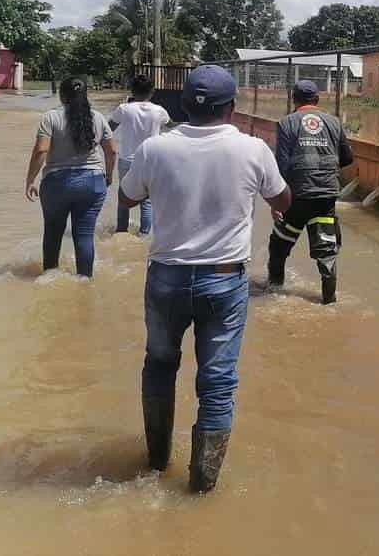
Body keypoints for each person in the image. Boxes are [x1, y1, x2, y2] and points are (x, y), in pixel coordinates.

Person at [119, 65, 291, 493]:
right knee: (217, 383)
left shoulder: (156, 149)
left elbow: (126, 195)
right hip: (224, 281)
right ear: (232, 107)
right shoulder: (253, 149)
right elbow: (283, 198)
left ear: (182, 104)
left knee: (159, 366)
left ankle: (157, 462)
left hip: (165, 280)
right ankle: (202, 487)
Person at [267, 79, 354, 305]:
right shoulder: (334, 122)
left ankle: (274, 293)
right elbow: (347, 157)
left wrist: (277, 203)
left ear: (294, 100)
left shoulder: (287, 123)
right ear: (317, 99)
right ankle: (329, 301)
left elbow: (282, 166)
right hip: (326, 196)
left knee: (279, 246)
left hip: (297, 198)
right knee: (326, 250)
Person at [24, 77, 117, 278]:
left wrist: (30, 180)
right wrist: (108, 176)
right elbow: (112, 152)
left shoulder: (50, 117)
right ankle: (85, 282)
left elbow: (41, 150)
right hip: (92, 182)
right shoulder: (98, 118)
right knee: (84, 235)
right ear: (85, 95)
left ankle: (49, 279)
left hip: (57, 184)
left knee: (53, 233)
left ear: (62, 95)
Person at [109, 75, 170, 235]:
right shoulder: (159, 111)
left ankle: (121, 232)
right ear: (152, 92)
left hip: (127, 160)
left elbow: (109, 130)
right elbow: (170, 128)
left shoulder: (124, 109)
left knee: (124, 198)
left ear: (132, 91)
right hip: (151, 161)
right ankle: (144, 234)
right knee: (147, 201)